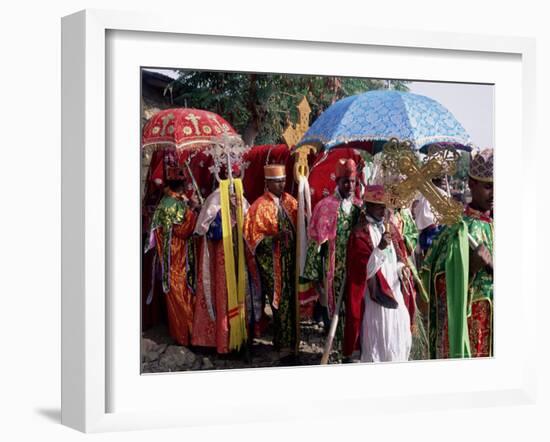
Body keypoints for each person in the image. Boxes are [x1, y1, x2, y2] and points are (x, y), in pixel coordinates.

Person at [421, 148, 494, 359]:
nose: (494, 194)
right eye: (488, 187)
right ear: (471, 183)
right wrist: (470, 266)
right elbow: (438, 281)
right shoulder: (457, 229)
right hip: (473, 327)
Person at [344, 185, 416, 362]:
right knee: (378, 341)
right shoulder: (360, 234)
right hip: (375, 299)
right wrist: (380, 249)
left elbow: (399, 259)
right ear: (367, 205)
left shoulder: (390, 227)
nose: (383, 210)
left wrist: (402, 269)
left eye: (385, 206)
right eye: (378, 205)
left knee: (400, 337)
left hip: (396, 292)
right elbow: (362, 273)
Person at [301, 158, 361, 356]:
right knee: (333, 311)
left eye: (353, 182)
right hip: (332, 270)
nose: (350, 186)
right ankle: (334, 349)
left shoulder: (359, 208)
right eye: (346, 182)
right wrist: (315, 275)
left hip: (354, 270)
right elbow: (315, 245)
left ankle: (350, 350)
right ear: (337, 181)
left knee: (353, 310)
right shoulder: (325, 207)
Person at [192, 164, 250, 354]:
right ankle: (221, 340)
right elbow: (202, 228)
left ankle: (239, 336)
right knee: (222, 294)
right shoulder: (215, 198)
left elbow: (249, 224)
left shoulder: (241, 199)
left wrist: (236, 211)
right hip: (220, 257)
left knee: (239, 292)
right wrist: (220, 215)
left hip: (237, 254)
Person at [243, 164, 298, 353]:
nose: (282, 185)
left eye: (283, 181)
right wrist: (274, 238)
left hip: (291, 261)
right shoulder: (259, 206)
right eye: (277, 182)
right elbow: (252, 240)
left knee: (292, 300)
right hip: (273, 263)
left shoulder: (290, 201)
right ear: (267, 183)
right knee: (280, 301)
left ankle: (293, 340)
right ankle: (283, 343)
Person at [145, 176, 199, 346]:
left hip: (171, 257)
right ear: (181, 187)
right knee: (182, 295)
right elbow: (183, 231)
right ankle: (187, 335)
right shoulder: (174, 205)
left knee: (175, 295)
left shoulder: (166, 202)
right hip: (178, 257)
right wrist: (193, 210)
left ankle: (181, 334)